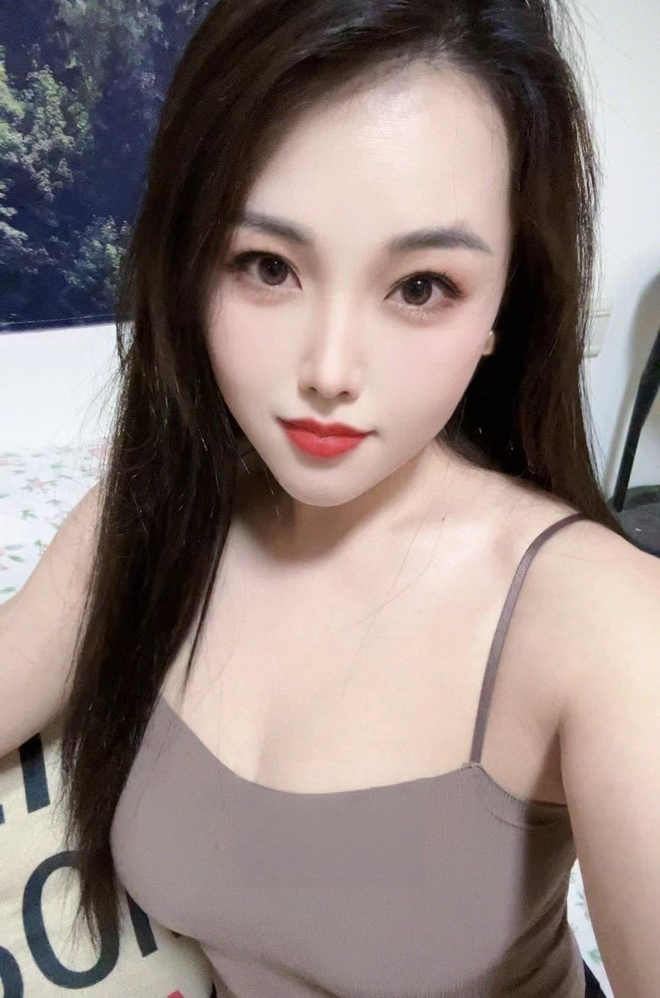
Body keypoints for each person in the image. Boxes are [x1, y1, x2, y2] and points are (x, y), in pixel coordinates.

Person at [2, 1, 658, 995]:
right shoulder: (145, 529)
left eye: (422, 286)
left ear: (504, 303)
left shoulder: (603, 625)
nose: (331, 371)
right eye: (267, 267)